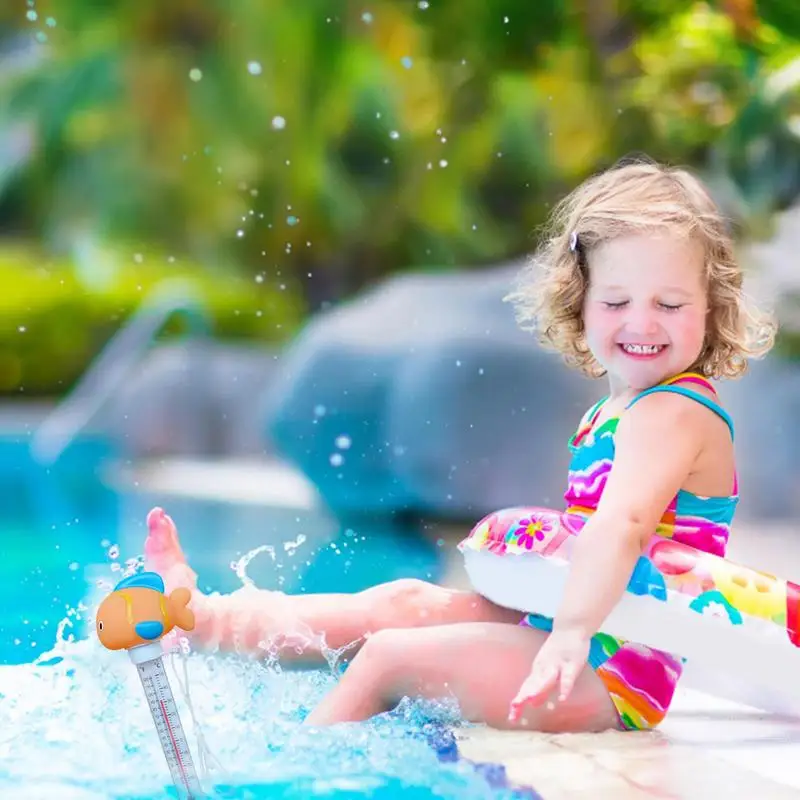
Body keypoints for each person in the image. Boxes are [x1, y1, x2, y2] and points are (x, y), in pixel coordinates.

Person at [144, 157, 776, 733]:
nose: (641, 323)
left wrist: (570, 636)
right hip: (574, 629)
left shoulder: (674, 411)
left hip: (612, 668)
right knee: (400, 603)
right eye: (616, 301)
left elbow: (622, 527)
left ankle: (291, 779)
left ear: (711, 308)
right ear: (581, 302)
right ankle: (202, 619)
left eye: (670, 303)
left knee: (389, 657)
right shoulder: (614, 410)